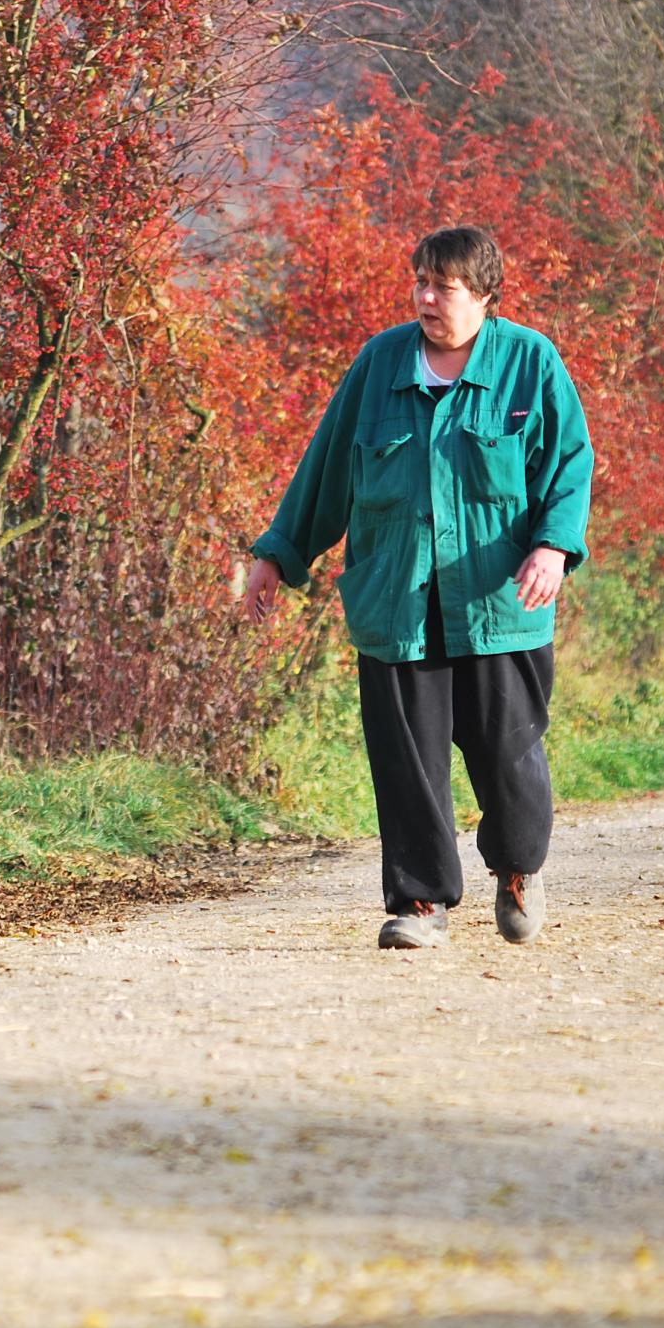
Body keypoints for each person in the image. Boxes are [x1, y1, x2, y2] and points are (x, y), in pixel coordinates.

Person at [243, 226, 594, 949]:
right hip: (397, 599)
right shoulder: (380, 365)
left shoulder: (530, 362)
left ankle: (518, 868)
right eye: (420, 282)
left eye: (445, 286)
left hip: (499, 603)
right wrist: (277, 554)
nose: (427, 298)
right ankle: (419, 902)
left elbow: (570, 464)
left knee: (508, 753)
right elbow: (328, 469)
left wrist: (554, 547)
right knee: (407, 761)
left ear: (485, 295)